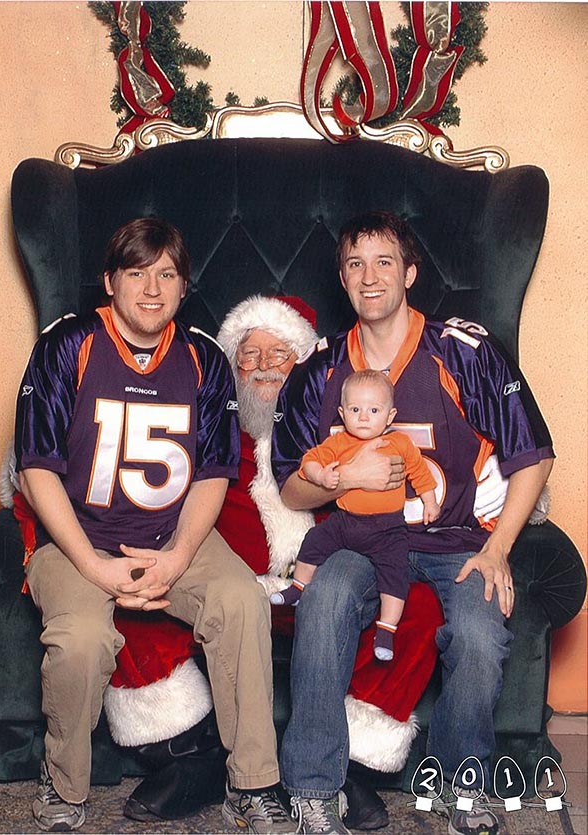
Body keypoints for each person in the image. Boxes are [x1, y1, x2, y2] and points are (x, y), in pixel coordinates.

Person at [99, 294, 445, 829]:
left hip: (322, 590)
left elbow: (416, 484)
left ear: (303, 364)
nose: (263, 366)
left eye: (279, 354)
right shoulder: (201, 427)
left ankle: (345, 762)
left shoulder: (351, 436)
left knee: (417, 607)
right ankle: (193, 754)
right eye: (248, 354)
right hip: (224, 593)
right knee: (131, 594)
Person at [272, 211, 555, 835]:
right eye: (354, 264)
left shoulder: (464, 350)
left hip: (457, 540)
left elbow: (533, 457)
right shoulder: (318, 370)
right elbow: (291, 489)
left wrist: (499, 549)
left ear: (410, 273)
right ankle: (313, 789)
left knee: (481, 636)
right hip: (363, 539)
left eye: (384, 262)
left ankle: (463, 786)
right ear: (341, 279)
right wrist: (346, 478)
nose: (369, 277)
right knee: (324, 598)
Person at [13, 218, 293, 834]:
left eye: (166, 274)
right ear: (109, 281)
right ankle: (63, 788)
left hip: (174, 533)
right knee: (82, 640)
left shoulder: (202, 358)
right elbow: (36, 470)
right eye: (136, 273)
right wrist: (96, 567)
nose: (151, 289)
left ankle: (254, 784)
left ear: (183, 286)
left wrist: (176, 555)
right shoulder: (68, 345)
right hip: (77, 536)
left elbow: (213, 474)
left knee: (242, 600)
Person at [271, 369, 440, 661]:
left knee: (395, 576)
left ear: (390, 416)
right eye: (355, 409)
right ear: (342, 412)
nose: (363, 417)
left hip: (388, 529)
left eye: (374, 410)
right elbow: (309, 461)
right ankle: (298, 587)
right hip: (346, 522)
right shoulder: (339, 443)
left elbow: (419, 472)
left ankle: (386, 629)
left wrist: (430, 502)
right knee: (313, 541)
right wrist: (321, 475)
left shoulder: (399, 443)